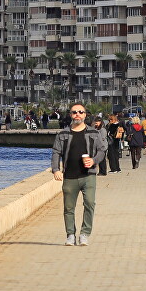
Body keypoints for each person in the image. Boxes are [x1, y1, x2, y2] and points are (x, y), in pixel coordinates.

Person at [51, 103, 107, 246]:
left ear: (85, 115)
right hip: (69, 176)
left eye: (80, 112)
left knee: (90, 203)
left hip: (88, 176)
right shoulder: (62, 134)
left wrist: (93, 160)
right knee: (68, 208)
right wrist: (56, 170)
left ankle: (84, 234)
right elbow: (56, 152)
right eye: (74, 112)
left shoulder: (94, 133)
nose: (77, 114)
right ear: (70, 115)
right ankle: (70, 235)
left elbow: (102, 151)